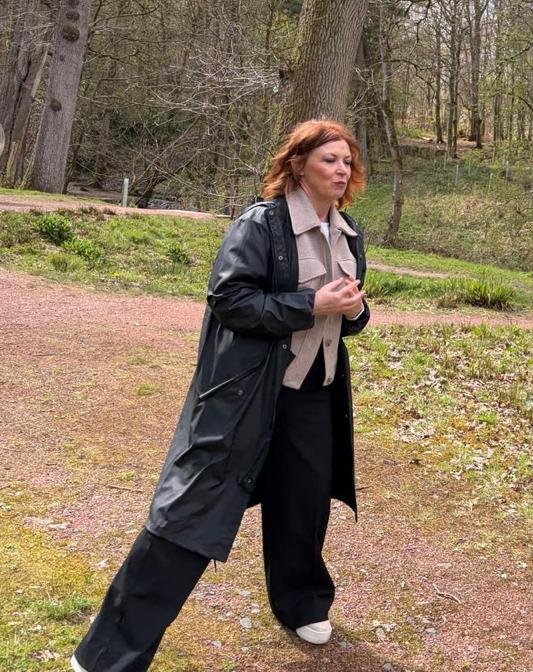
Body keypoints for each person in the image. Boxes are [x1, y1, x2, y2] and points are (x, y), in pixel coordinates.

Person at [72, 119, 371, 672]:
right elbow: (228, 300)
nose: (341, 169)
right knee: (190, 513)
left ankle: (300, 602)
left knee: (303, 505)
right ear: (299, 163)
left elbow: (348, 316)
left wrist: (354, 313)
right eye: (329, 159)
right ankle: (108, 653)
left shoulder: (347, 231)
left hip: (313, 395)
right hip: (247, 396)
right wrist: (308, 306)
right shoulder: (262, 224)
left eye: (347, 162)